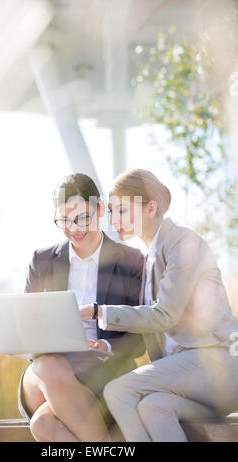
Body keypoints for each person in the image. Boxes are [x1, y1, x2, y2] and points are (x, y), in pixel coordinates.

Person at [80, 168, 238, 442]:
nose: (113, 220)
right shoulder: (149, 258)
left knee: (119, 391)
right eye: (112, 212)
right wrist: (102, 343)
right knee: (153, 407)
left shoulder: (182, 242)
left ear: (150, 208)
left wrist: (99, 312)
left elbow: (163, 315)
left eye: (122, 211)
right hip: (193, 378)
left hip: (221, 365)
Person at [18, 173, 146, 442]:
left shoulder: (131, 261)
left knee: (44, 425)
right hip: (45, 376)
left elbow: (139, 341)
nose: (73, 228)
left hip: (102, 371)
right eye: (63, 220)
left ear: (100, 209)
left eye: (82, 218)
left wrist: (107, 347)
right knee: (50, 366)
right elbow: (25, 328)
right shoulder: (41, 260)